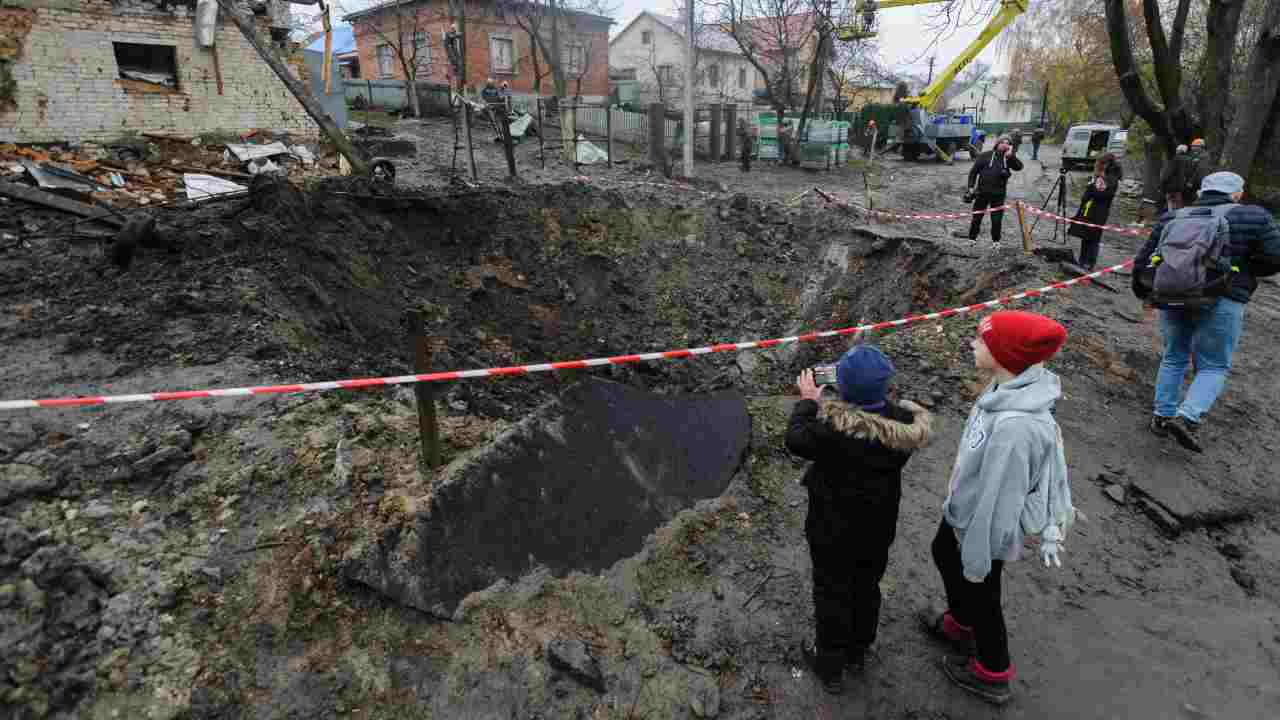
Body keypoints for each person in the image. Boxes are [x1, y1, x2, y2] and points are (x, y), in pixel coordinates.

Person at [920, 311, 1077, 706]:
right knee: (943, 553)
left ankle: (992, 670)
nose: (973, 344)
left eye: (981, 341)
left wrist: (979, 549)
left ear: (1005, 355)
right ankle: (962, 622)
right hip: (965, 509)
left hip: (982, 526)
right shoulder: (1005, 385)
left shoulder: (1016, 427)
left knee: (982, 590)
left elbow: (1002, 497)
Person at [786, 345, 934, 695]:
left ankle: (831, 664)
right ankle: (858, 650)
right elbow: (881, 414)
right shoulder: (901, 428)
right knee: (867, 585)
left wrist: (809, 401)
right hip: (877, 526)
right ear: (886, 389)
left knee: (832, 589)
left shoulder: (831, 432)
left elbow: (795, 438)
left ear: (843, 390)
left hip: (831, 529)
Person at [1132, 171, 1280, 452]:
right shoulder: (1254, 216)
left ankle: (1162, 416)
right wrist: (1245, 274)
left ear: (1201, 192)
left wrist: (1144, 294)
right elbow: (1275, 258)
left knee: (1174, 356)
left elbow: (1145, 259)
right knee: (1213, 364)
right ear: (1237, 193)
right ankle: (1187, 417)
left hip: (1173, 295)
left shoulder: (1174, 217)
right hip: (1223, 297)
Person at [955, 135, 1023, 245]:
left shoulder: (1008, 158)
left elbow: (1019, 167)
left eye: (1007, 143)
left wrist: (1011, 156)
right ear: (997, 143)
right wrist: (971, 187)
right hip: (982, 192)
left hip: (998, 195)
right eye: (1002, 142)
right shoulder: (985, 156)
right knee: (977, 218)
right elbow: (973, 172)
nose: (1005, 144)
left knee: (996, 220)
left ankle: (996, 242)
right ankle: (972, 239)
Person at [1067, 153, 1123, 270]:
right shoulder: (1102, 176)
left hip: (1099, 212)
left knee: (1093, 237)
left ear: (1105, 164)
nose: (1096, 166)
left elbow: (1104, 194)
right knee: (1085, 236)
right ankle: (1082, 261)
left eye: (1099, 164)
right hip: (1090, 209)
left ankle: (1089, 263)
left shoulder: (1111, 177)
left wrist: (1092, 187)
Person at [1160, 144, 1191, 211]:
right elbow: (1189, 173)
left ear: (1179, 150)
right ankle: (1179, 215)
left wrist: (1162, 183)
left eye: (1177, 150)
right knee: (1179, 202)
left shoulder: (1174, 159)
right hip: (1182, 185)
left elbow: (1167, 174)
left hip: (1171, 185)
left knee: (1170, 202)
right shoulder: (1189, 160)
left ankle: (1171, 216)